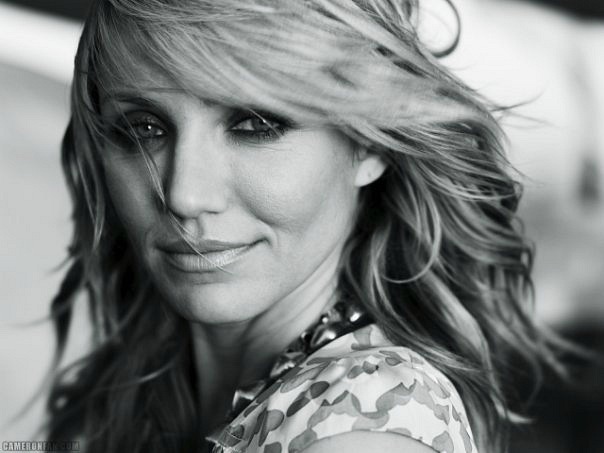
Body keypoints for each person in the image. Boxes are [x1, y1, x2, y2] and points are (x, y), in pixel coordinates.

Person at [45, 0, 566, 452]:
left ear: (370, 143)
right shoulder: (137, 386)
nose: (184, 195)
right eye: (144, 128)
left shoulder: (365, 427)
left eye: (256, 125)